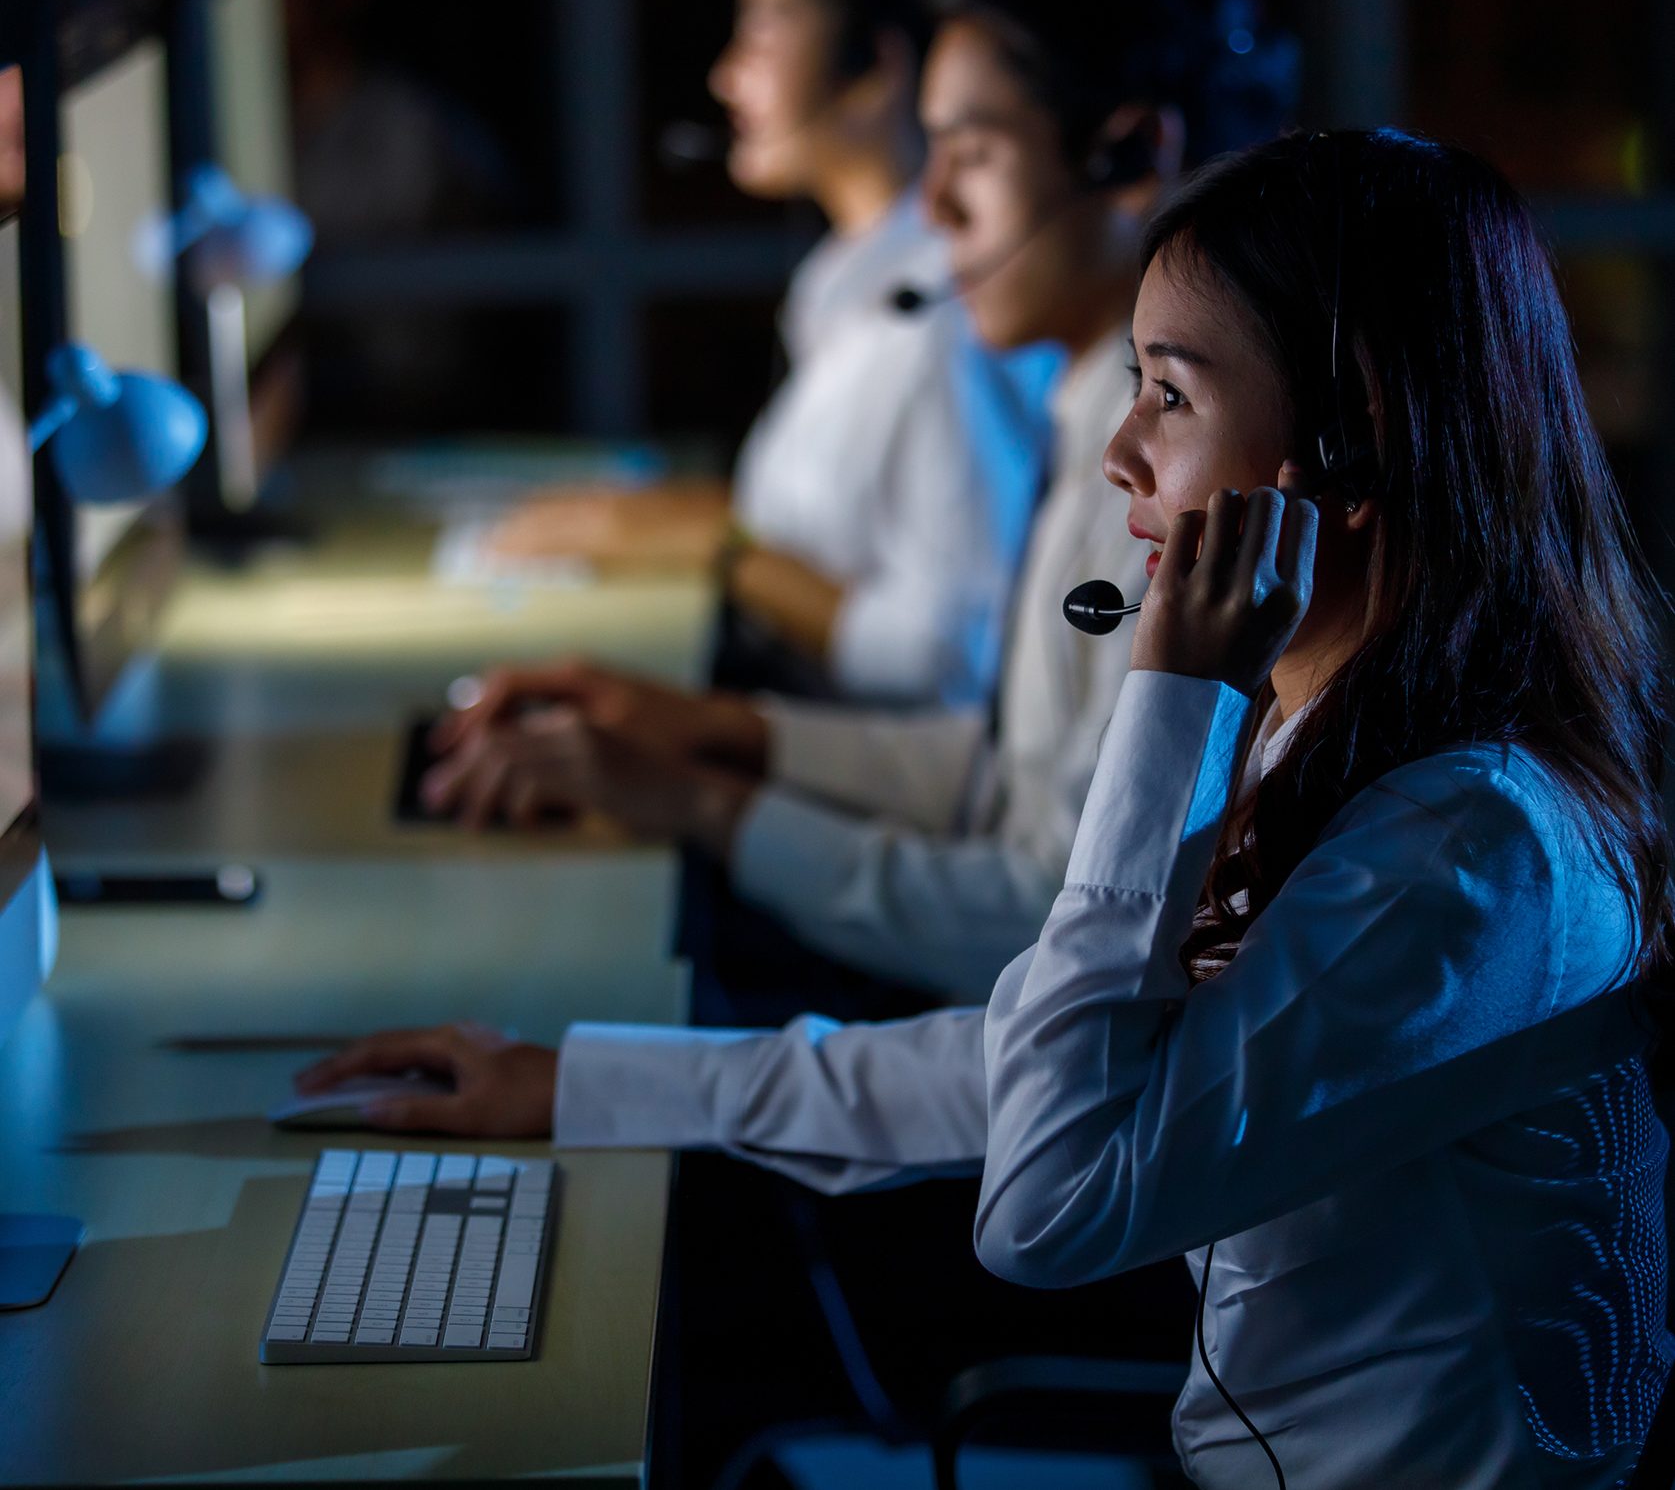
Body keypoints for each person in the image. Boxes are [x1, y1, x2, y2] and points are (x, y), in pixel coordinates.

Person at [302, 129, 1674, 1486]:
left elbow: (1048, 1197)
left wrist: (1173, 696)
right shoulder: (1337, 734)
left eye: (1171, 396)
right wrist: (583, 1083)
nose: (1118, 456)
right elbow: (1027, 1056)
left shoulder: (1464, 852)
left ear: (1347, 441)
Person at [422, 0, 1298, 1010]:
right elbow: (1011, 782)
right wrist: (713, 733)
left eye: (970, 152)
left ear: (1129, 151)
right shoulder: (1090, 409)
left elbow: (1053, 923)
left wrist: (710, 804)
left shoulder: (1172, 486)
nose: (931, 209)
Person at [493, 0, 1018, 706]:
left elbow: (945, 656)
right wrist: (655, 522)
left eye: (765, 29)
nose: (726, 75)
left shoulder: (940, 325)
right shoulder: (850, 289)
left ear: (874, 71)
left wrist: (717, 548)